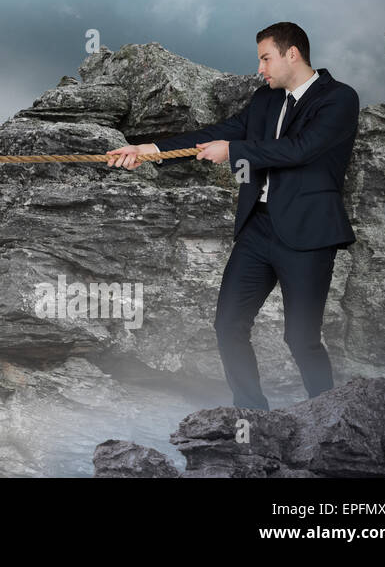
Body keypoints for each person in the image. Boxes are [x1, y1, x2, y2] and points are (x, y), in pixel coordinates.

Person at [106, 22, 359, 411]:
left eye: (265, 58)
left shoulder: (339, 99)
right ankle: (252, 412)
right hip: (258, 227)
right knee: (228, 325)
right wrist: (147, 150)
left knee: (301, 338)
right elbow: (215, 134)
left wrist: (235, 151)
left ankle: (327, 415)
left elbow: (301, 149)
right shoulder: (264, 101)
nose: (261, 69)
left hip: (310, 234)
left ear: (293, 54)